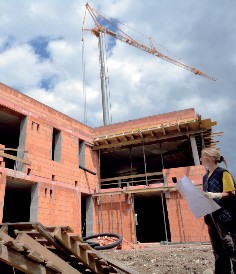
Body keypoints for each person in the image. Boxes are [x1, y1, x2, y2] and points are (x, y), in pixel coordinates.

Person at [200, 147, 236, 274]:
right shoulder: (205, 177)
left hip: (224, 216)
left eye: (202, 156)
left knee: (231, 247)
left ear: (210, 158)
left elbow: (231, 193)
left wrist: (216, 195)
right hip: (211, 217)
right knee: (218, 250)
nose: (200, 159)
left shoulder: (223, 173)